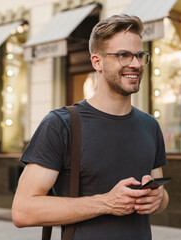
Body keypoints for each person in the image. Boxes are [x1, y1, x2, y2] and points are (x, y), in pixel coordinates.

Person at [12, 14, 169, 239]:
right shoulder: (61, 124)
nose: (135, 64)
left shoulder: (150, 126)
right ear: (97, 62)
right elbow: (23, 211)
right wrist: (106, 203)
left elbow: (162, 199)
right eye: (123, 55)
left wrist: (158, 198)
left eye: (139, 55)